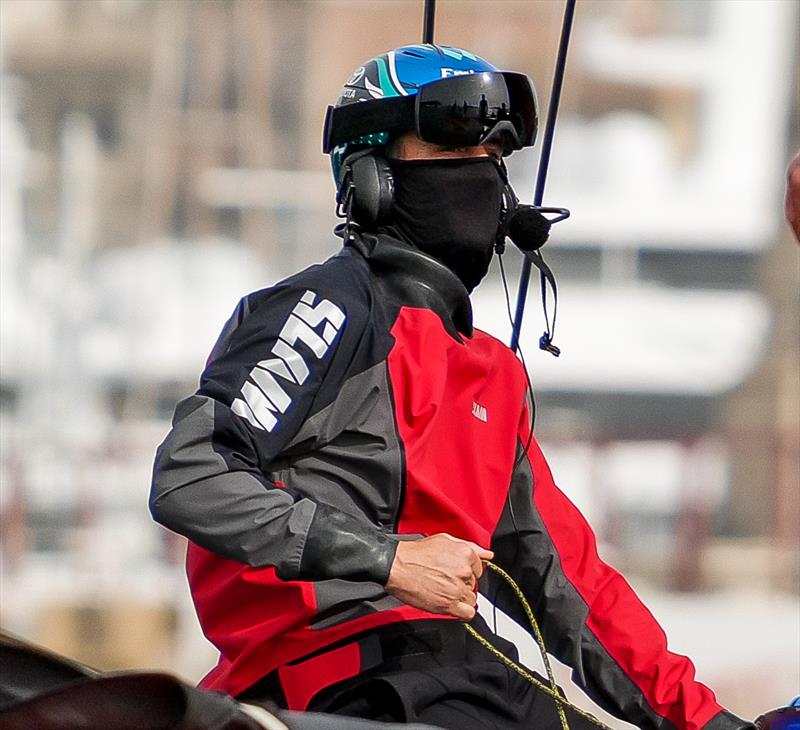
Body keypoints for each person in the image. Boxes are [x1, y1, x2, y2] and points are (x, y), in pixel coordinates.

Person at [150, 45, 753, 730]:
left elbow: (570, 587)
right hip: (344, 679)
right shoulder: (330, 308)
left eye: (495, 156)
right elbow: (192, 477)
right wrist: (387, 560)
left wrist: (708, 721)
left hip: (466, 676)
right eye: (450, 148)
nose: (483, 174)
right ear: (373, 175)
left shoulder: (491, 371)